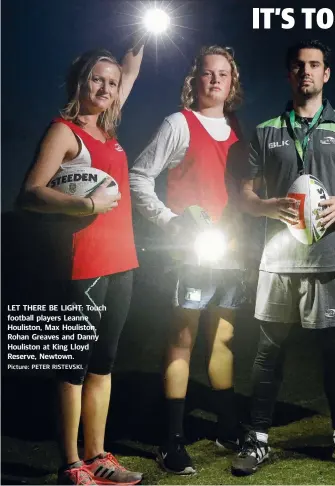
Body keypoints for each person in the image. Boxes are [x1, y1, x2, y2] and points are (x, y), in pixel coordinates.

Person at [231, 39, 335, 477]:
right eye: (298, 66)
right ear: (288, 74)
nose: (306, 72)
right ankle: (257, 439)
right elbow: (244, 192)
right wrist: (262, 206)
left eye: (314, 65)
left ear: (326, 74)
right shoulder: (265, 131)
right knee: (268, 351)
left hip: (333, 258)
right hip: (279, 259)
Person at [19, 39, 145, 485]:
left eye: (113, 83)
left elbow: (127, 71)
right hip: (83, 265)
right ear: (80, 81)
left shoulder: (107, 132)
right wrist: (87, 207)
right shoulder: (64, 131)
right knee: (73, 365)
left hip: (121, 262)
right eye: (97, 79)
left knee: (103, 364)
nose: (107, 87)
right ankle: (71, 463)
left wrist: (140, 40)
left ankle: (98, 457)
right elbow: (31, 192)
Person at [129, 45, 247, 476]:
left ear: (232, 83)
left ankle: (228, 426)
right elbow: (139, 175)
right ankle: (171, 439)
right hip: (191, 251)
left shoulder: (236, 129)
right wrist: (170, 222)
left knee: (224, 338)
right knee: (184, 336)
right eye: (207, 74)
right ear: (193, 80)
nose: (215, 81)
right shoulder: (179, 123)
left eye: (223, 75)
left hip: (228, 250)